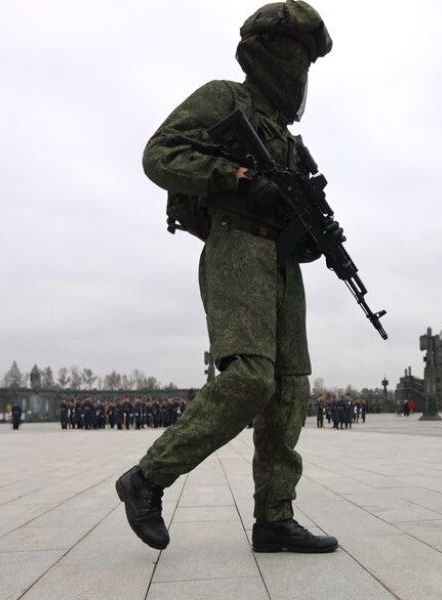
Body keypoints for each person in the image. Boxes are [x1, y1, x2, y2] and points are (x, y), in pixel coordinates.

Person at [116, 1, 339, 554]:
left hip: (281, 265)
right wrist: (235, 178)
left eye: (307, 62)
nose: (300, 72)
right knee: (249, 379)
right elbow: (158, 154)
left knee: (290, 389)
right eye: (296, 57)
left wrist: (316, 233)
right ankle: (146, 479)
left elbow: (295, 213)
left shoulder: (287, 140)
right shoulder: (224, 99)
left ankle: (274, 517)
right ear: (265, 54)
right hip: (236, 249)